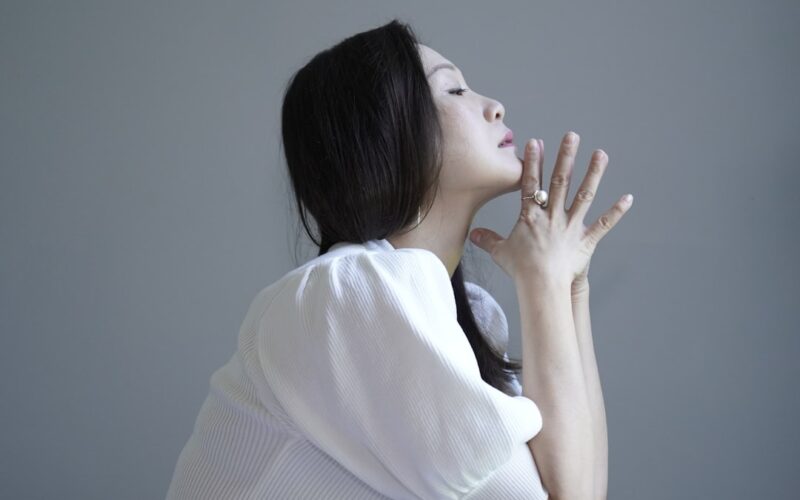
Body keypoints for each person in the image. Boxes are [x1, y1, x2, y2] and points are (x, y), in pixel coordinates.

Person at [166, 18, 631, 500]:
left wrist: (570, 284)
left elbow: (583, 486)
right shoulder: (346, 294)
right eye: (453, 91)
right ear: (383, 134)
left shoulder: (454, 316)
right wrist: (544, 284)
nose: (494, 107)